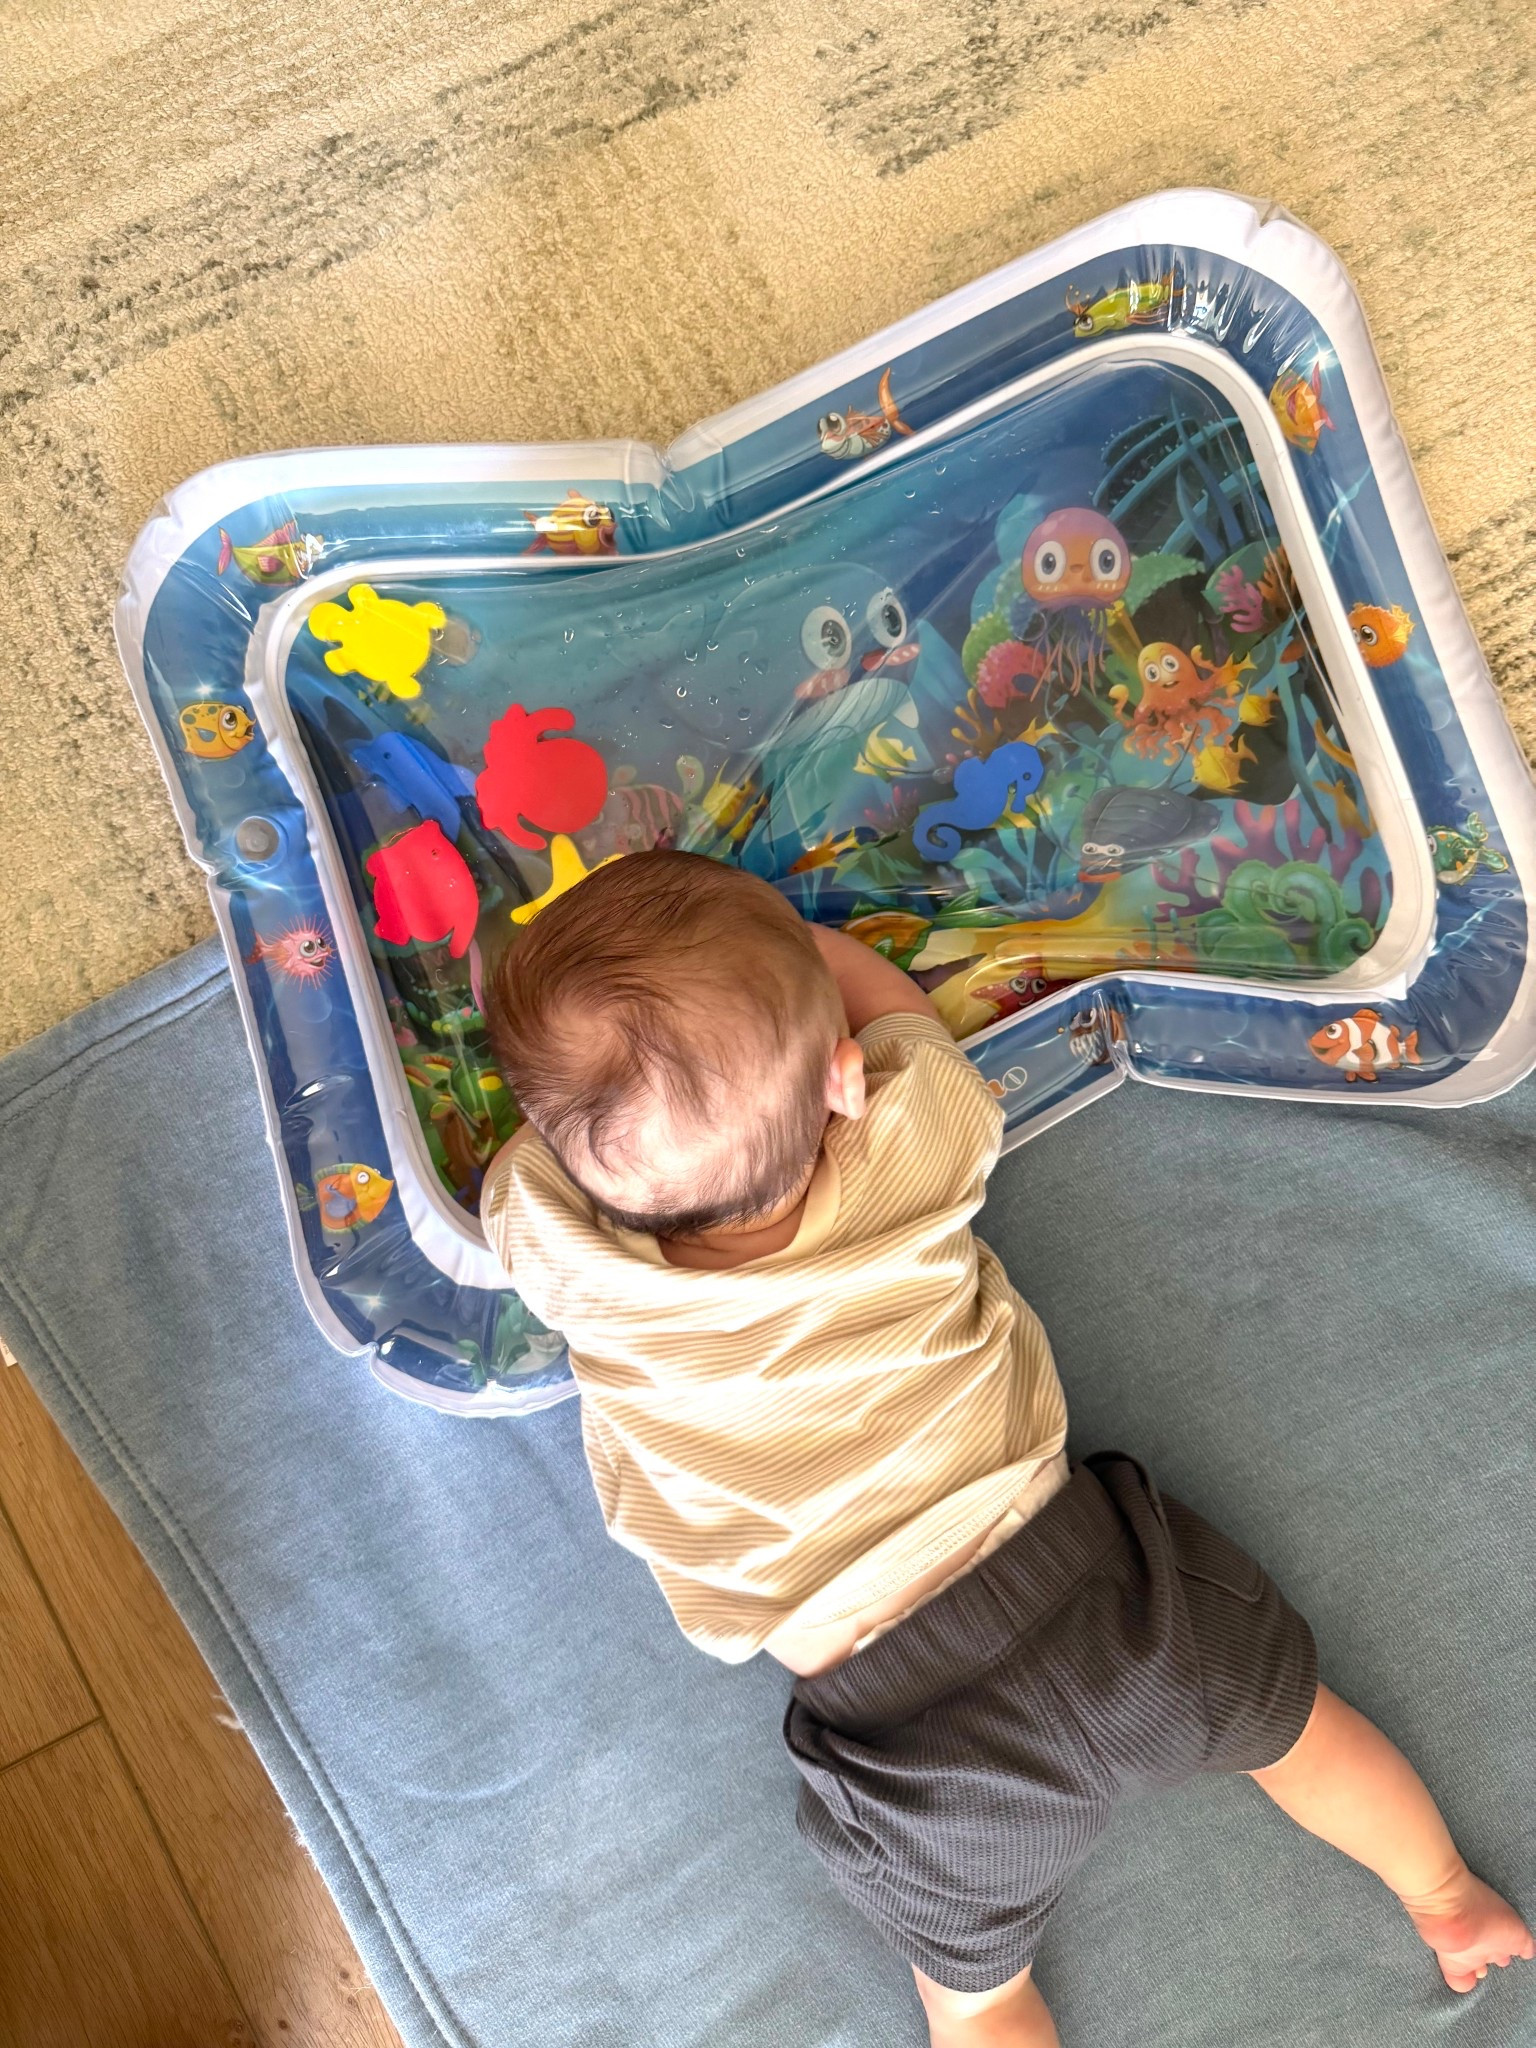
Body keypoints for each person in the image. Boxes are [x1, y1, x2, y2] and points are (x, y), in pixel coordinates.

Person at [482, 849, 1531, 2045]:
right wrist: (793, 950)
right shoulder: (905, 1149)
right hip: (1109, 1594)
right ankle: (1445, 1897)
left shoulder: (571, 1255)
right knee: (1297, 1729)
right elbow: (900, 1018)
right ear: (841, 1082)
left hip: (912, 1741)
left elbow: (531, 1152)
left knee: (977, 1999)